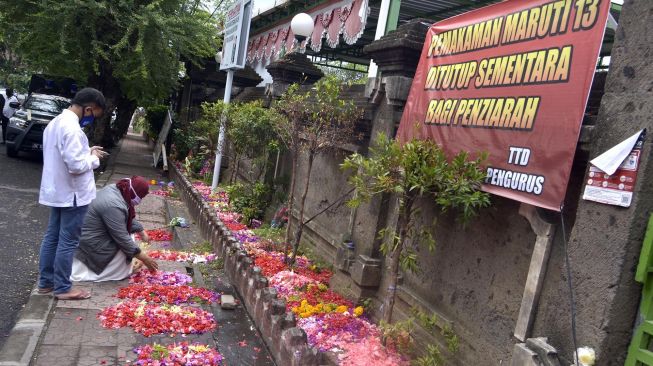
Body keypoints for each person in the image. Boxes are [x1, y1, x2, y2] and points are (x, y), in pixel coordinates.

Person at [38, 87, 108, 300]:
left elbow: (65, 154)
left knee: (53, 237)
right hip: (73, 193)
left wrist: (87, 151)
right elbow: (76, 166)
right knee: (68, 240)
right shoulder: (73, 129)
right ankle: (62, 287)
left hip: (59, 190)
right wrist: (94, 158)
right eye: (94, 115)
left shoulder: (56, 123)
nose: (92, 119)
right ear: (89, 108)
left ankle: (46, 282)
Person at [71, 176, 158, 282]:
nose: (140, 201)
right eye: (141, 197)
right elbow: (121, 237)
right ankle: (113, 272)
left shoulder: (118, 189)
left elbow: (124, 217)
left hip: (88, 235)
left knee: (130, 235)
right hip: (90, 244)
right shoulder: (113, 205)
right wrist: (144, 258)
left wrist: (141, 231)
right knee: (126, 244)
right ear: (135, 193)